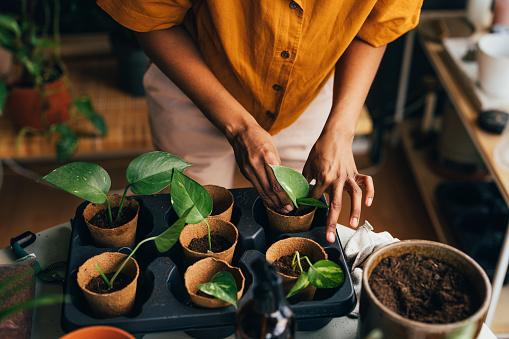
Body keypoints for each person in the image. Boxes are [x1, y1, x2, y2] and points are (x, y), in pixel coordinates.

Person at [98, 0, 422, 243]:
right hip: (194, 85)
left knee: (293, 215)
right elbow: (153, 19)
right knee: (199, 225)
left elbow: (377, 26)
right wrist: (239, 127)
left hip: (307, 92)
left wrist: (340, 129)